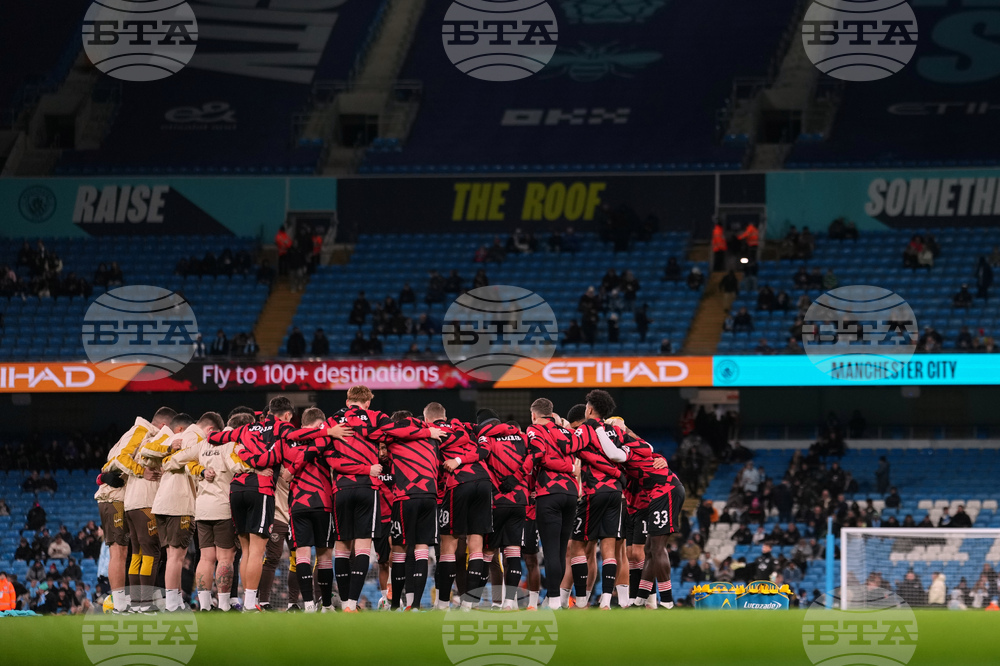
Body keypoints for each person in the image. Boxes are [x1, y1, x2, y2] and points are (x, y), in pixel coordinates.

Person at [153, 412, 224, 612]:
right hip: (179, 503)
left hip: (162, 502)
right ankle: (172, 605)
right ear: (211, 431)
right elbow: (181, 462)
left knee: (171, 556)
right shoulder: (197, 440)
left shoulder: (175, 438)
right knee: (177, 556)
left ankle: (174, 601)